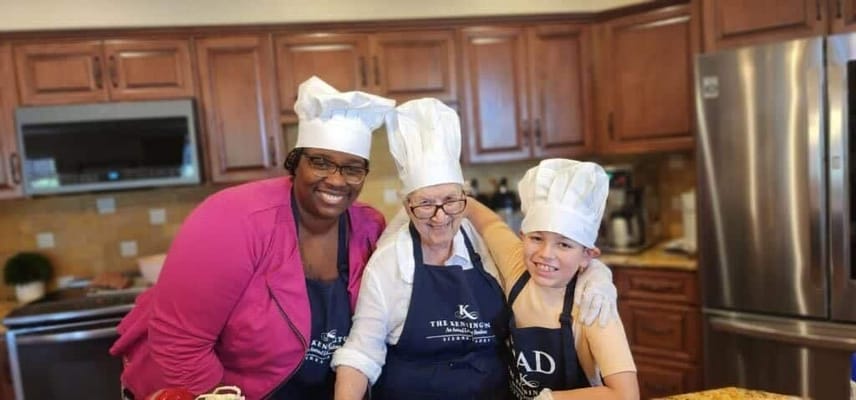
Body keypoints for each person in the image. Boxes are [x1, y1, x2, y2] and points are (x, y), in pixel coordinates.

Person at [109, 76, 395, 400]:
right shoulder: (233, 218)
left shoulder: (368, 227)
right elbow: (180, 344)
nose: (336, 180)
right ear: (295, 163)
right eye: (320, 162)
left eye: (352, 168)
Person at [331, 98, 619, 400]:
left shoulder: (485, 246)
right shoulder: (390, 262)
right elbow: (362, 351)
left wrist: (599, 276)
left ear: (465, 199)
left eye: (451, 201)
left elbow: (550, 263)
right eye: (426, 204)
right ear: (407, 206)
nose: (440, 217)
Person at [465, 158, 639, 400]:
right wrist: (455, 195)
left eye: (564, 244)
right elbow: (489, 222)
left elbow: (626, 395)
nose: (545, 253)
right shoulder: (517, 266)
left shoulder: (592, 306)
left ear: (587, 255)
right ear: (522, 236)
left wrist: (549, 399)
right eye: (536, 238)